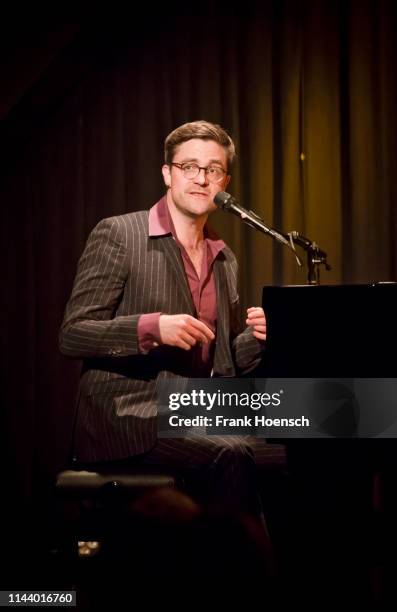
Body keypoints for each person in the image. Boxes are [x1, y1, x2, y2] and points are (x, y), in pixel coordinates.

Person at [59, 120, 271, 520]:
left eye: (213, 169)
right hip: (130, 412)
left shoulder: (224, 257)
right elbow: (72, 334)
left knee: (321, 432)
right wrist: (152, 328)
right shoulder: (120, 234)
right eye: (189, 166)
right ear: (167, 174)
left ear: (225, 181)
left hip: (201, 405)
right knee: (232, 452)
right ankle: (240, 576)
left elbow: (226, 362)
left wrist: (258, 337)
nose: (201, 178)